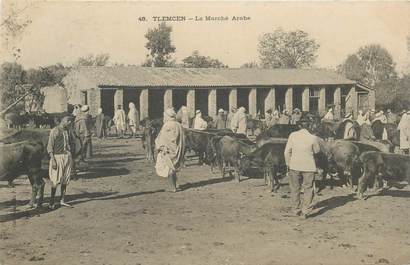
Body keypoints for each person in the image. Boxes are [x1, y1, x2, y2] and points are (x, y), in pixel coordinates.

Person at [284, 117, 321, 219]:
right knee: (308, 188)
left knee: (295, 188)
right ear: (309, 126)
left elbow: (286, 152)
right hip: (309, 166)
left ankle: (295, 210)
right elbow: (317, 151)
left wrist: (288, 163)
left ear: (299, 125)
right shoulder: (313, 138)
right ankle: (305, 211)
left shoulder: (293, 135)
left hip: (295, 165)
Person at [155, 108, 186, 192]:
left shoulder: (167, 125)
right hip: (176, 150)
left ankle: (173, 188)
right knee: (172, 168)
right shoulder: (178, 125)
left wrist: (160, 146)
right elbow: (182, 138)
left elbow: (164, 138)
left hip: (168, 150)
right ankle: (176, 184)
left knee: (168, 169)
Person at [47, 116, 74, 209]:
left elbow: (67, 145)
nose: (70, 124)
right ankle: (51, 202)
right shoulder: (55, 130)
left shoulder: (66, 131)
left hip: (66, 156)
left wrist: (69, 155)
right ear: (65, 121)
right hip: (57, 157)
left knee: (65, 179)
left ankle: (62, 200)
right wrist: (53, 159)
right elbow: (50, 146)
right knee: (55, 180)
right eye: (69, 122)